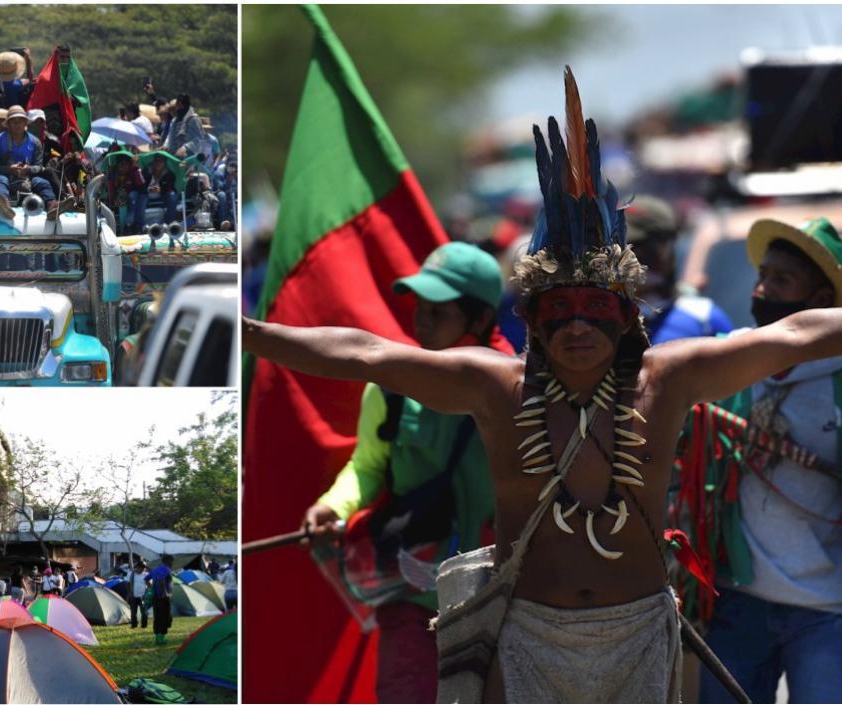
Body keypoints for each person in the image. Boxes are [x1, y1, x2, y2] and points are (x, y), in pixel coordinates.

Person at [242, 68, 842, 703]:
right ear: (528, 315)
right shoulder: (495, 387)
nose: (577, 325)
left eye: (595, 308)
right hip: (525, 634)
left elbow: (798, 335)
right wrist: (252, 331)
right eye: (559, 308)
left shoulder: (667, 379)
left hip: (638, 633)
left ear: (627, 315)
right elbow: (366, 352)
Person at [302, 241, 508, 702]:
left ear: (479, 319)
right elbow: (369, 465)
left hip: (503, 599)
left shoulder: (521, 388)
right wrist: (333, 505)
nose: (421, 320)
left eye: (439, 311)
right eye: (420, 307)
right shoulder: (390, 387)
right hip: (412, 596)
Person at [684, 217, 842, 704]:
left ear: (819, 302)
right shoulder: (731, 367)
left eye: (782, 280)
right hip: (738, 601)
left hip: (827, 608)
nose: (763, 289)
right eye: (763, 276)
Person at [624, 196, 733, 344]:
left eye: (641, 250)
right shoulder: (598, 317)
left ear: (668, 251)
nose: (629, 260)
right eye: (619, 248)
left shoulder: (704, 317)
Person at [0, 105, 57, 220]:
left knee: (42, 182)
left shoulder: (35, 142)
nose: (17, 124)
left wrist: (28, 169)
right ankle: (5, 206)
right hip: (6, 177)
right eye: (13, 121)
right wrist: (9, 169)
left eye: (20, 121)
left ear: (25, 123)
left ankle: (52, 206)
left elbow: (39, 166)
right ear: (8, 124)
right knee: (1, 180)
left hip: (28, 179)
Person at [161, 93, 209, 161]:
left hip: (188, 158)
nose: (177, 109)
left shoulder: (193, 119)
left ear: (181, 104)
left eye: (178, 105)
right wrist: (165, 145)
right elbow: (170, 135)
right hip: (172, 156)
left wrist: (185, 147)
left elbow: (199, 139)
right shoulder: (175, 120)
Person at [142, 155, 179, 226]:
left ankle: (169, 224)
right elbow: (140, 185)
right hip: (147, 195)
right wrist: (148, 189)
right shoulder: (146, 171)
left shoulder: (169, 174)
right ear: (153, 161)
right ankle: (139, 226)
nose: (158, 163)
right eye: (156, 161)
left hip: (162, 195)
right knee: (140, 198)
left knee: (173, 196)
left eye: (161, 161)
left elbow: (170, 187)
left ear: (165, 163)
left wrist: (161, 189)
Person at [149, 555, 175, 645]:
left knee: (157, 617)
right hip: (163, 598)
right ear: (168, 561)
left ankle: (158, 637)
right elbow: (161, 580)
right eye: (172, 561)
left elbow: (146, 579)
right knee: (165, 617)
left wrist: (151, 589)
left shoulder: (154, 569)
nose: (172, 563)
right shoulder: (166, 569)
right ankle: (161, 639)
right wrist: (165, 592)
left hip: (155, 597)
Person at [127, 560, 149, 629]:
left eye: (144, 567)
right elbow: (127, 584)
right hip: (133, 596)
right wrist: (130, 593)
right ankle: (134, 625)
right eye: (141, 567)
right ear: (137, 567)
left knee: (144, 613)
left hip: (143, 596)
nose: (143, 569)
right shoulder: (131, 574)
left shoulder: (146, 575)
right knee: (133, 613)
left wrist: (148, 582)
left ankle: (144, 625)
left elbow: (150, 585)